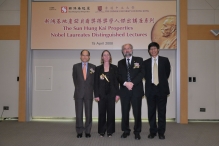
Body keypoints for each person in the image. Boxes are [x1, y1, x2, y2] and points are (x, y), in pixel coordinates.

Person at [144, 42, 171, 140]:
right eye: (151, 49)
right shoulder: (145, 62)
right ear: (149, 51)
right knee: (151, 112)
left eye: (155, 48)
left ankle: (161, 132)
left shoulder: (165, 60)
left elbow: (167, 73)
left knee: (162, 112)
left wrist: (160, 82)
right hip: (150, 89)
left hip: (161, 89)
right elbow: (145, 75)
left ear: (158, 50)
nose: (153, 50)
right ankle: (152, 131)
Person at [117, 44, 144, 140]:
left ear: (132, 50)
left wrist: (132, 83)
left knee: (137, 112)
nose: (126, 50)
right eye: (124, 49)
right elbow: (118, 76)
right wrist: (125, 83)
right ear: (122, 51)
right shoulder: (120, 63)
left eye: (128, 48)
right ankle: (126, 130)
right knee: (124, 112)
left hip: (136, 90)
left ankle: (137, 131)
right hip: (124, 91)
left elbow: (142, 73)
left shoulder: (139, 60)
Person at [94, 50, 120, 138]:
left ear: (110, 57)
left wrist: (117, 94)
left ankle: (110, 131)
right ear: (102, 57)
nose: (106, 56)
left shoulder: (114, 67)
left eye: (107, 55)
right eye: (104, 55)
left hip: (112, 94)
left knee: (111, 112)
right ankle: (101, 131)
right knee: (101, 113)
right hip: (101, 94)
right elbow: (96, 83)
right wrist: (96, 95)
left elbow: (117, 82)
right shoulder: (98, 68)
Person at [72, 50, 96, 138]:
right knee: (78, 114)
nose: (85, 57)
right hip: (78, 93)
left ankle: (87, 131)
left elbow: (94, 81)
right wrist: (79, 88)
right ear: (80, 56)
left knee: (88, 114)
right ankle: (79, 131)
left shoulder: (93, 67)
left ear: (89, 57)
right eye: (83, 55)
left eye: (87, 55)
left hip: (89, 93)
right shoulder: (76, 67)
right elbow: (75, 79)